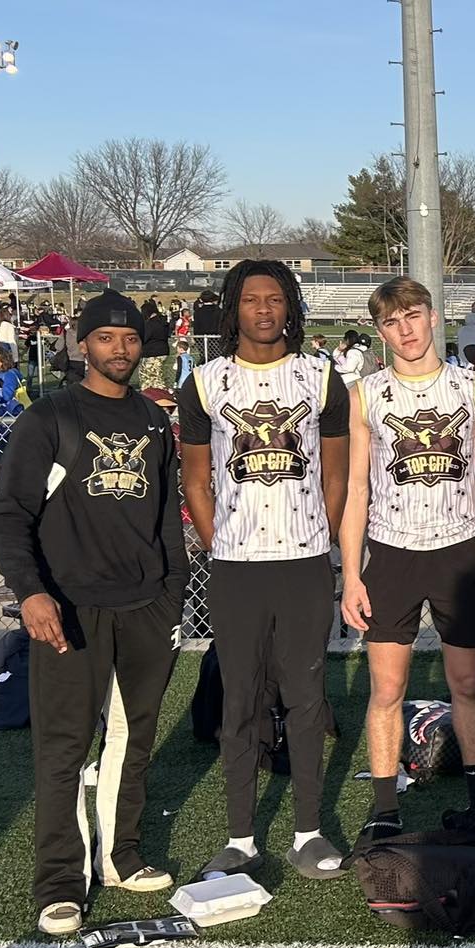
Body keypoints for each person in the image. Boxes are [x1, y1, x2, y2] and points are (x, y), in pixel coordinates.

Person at [0, 289, 187, 937]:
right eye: (105, 337)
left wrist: (174, 591)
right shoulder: (50, 417)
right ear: (82, 342)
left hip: (147, 606)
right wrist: (30, 591)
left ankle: (120, 856)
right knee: (65, 748)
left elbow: (167, 517)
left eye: (129, 338)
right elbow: (8, 514)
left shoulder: (152, 418)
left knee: (132, 738)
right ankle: (60, 883)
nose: (119, 348)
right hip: (69, 608)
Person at [176, 259, 350, 882]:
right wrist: (219, 543)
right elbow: (196, 480)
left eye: (275, 299)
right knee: (241, 700)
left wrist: (321, 539)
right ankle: (241, 838)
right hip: (237, 567)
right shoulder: (204, 383)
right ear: (234, 308)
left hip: (303, 561)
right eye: (251, 299)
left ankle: (308, 832)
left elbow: (336, 475)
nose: (264, 310)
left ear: (290, 307)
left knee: (306, 696)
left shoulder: (321, 377)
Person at [339, 277, 475, 846]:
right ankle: (386, 808)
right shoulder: (365, 394)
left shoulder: (472, 388)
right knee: (387, 688)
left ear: (433, 317)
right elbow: (357, 490)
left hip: (458, 553)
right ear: (379, 331)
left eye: (413, 316)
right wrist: (351, 574)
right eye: (392, 322)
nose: (405, 330)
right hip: (391, 554)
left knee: (467, 683)